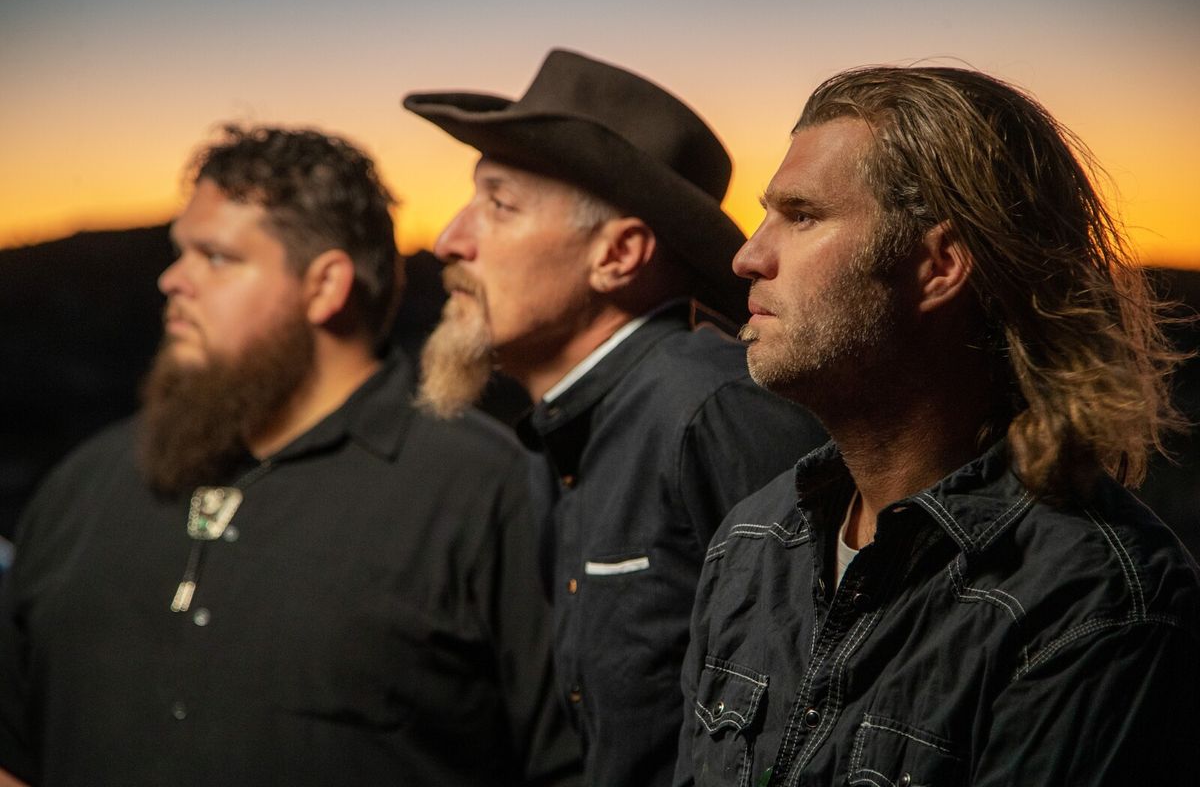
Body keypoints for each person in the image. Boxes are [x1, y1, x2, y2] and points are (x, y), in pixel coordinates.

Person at [0, 125, 581, 786]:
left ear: (324, 285)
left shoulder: (487, 493)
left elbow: (571, 763)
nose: (172, 280)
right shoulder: (86, 483)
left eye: (216, 258)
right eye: (180, 253)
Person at [674, 66, 1200, 786]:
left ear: (939, 265)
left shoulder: (1096, 601)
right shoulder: (752, 541)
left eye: (802, 216)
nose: (748, 256)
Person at [403, 49, 827, 787]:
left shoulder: (708, 409)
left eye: (499, 205)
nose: (449, 240)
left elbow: (823, 712)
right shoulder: (564, 434)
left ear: (619, 254)